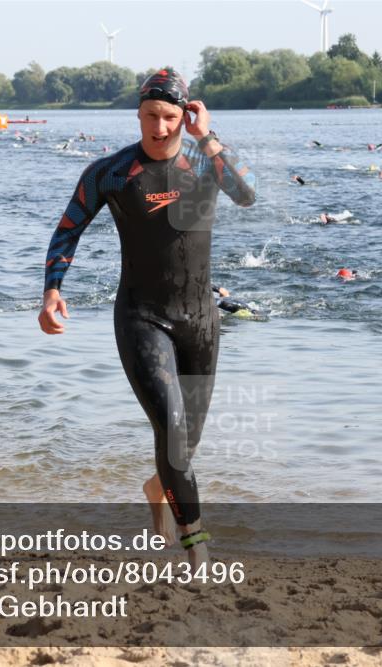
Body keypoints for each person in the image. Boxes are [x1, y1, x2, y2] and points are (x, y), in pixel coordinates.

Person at [38, 67, 256, 565]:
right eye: (150, 116)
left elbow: (247, 194)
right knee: (173, 430)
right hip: (142, 317)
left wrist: (208, 138)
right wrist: (52, 291)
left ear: (186, 116)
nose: (159, 128)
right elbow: (67, 230)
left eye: (170, 117)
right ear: (138, 115)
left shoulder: (206, 162)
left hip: (201, 320)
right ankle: (197, 545)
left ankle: (158, 488)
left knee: (186, 442)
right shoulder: (111, 172)